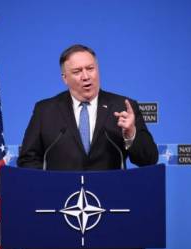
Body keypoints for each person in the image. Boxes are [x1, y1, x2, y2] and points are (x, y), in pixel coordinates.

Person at [17, 44, 158, 170]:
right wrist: (49, 186)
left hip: (110, 195)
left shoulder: (123, 107)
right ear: (65, 78)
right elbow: (28, 160)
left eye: (90, 69)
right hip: (61, 196)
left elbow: (149, 160)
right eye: (77, 71)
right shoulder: (45, 110)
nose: (86, 76)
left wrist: (131, 134)